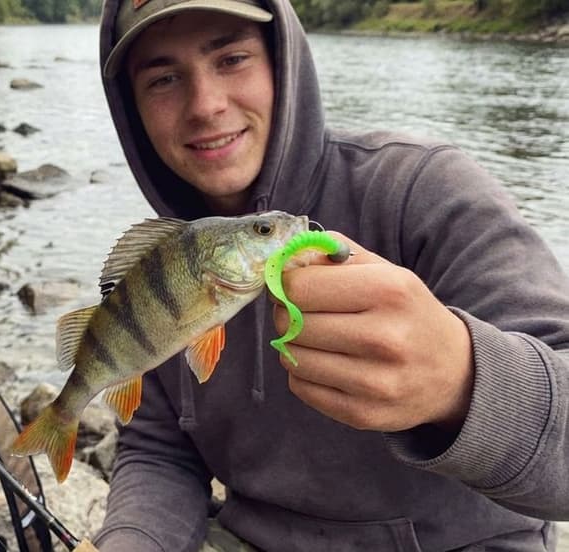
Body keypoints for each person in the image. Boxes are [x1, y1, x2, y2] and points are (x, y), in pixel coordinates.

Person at [92, 0, 569, 549]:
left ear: (282, 63)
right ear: (131, 109)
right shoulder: (156, 267)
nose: (205, 105)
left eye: (232, 58)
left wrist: (459, 382)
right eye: (164, 79)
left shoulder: (423, 189)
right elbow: (158, 451)